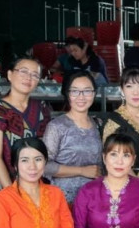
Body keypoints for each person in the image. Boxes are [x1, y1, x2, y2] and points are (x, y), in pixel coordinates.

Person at [0, 56, 52, 190]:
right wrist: (12, 194)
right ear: (10, 75)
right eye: (23, 72)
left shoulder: (41, 108)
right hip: (9, 185)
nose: (28, 78)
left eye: (34, 75)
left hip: (39, 185)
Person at [41, 70, 102, 204]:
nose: (81, 97)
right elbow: (43, 165)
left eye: (87, 91)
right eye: (74, 91)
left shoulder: (99, 125)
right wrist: (82, 171)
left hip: (94, 201)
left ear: (94, 93)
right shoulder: (56, 126)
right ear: (67, 94)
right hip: (63, 201)